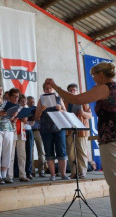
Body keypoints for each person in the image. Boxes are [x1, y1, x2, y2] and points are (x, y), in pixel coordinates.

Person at [45, 62, 116, 216]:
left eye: (94, 75)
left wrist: (56, 87)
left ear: (101, 74)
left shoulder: (104, 88)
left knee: (114, 182)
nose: (94, 78)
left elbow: (76, 99)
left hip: (111, 140)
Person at [34, 83, 69, 181]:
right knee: (49, 151)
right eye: (46, 89)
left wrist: (60, 109)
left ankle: (63, 174)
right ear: (44, 90)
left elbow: (66, 114)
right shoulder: (41, 101)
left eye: (50, 88)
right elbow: (36, 117)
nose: (48, 90)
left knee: (61, 151)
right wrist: (41, 110)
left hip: (59, 128)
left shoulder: (59, 99)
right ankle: (52, 175)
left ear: (53, 90)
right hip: (46, 130)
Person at [64, 83, 92, 179]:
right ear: (68, 92)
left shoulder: (83, 101)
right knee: (71, 153)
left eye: (74, 90)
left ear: (77, 91)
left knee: (81, 151)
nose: (72, 92)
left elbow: (90, 115)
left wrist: (83, 112)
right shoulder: (65, 102)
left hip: (81, 129)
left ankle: (82, 172)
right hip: (69, 129)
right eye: (70, 90)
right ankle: (74, 172)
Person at [7, 89, 29, 183]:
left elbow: (25, 120)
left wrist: (24, 117)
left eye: (17, 96)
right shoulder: (6, 106)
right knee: (10, 155)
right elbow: (5, 119)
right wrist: (13, 118)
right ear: (10, 96)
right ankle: (9, 176)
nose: (16, 98)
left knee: (22, 155)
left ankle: (22, 175)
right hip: (11, 132)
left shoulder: (21, 107)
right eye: (14, 96)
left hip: (21, 132)